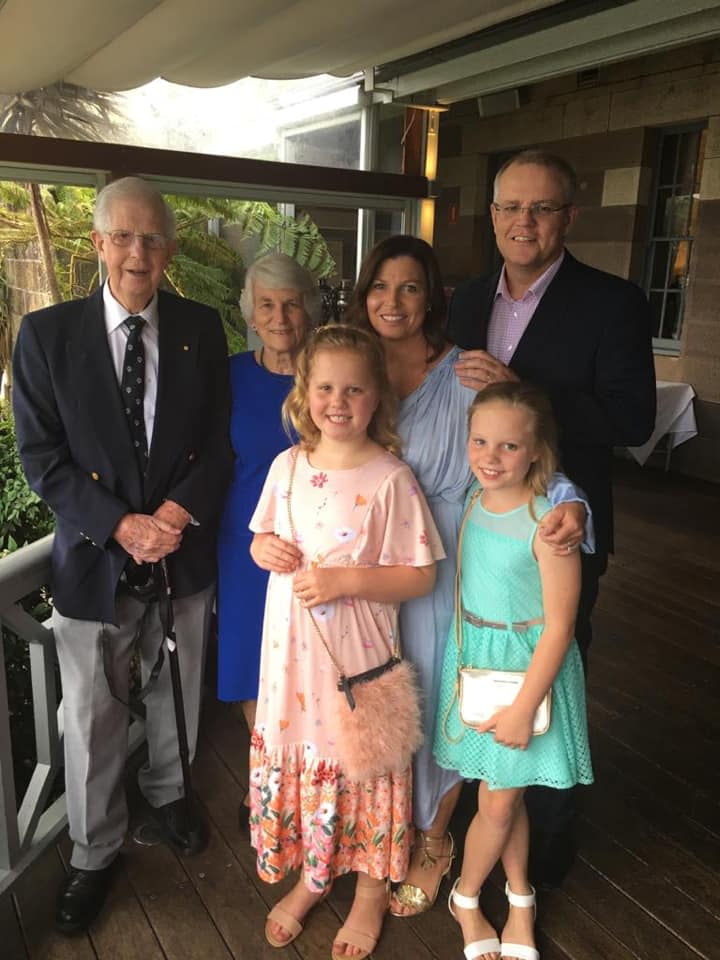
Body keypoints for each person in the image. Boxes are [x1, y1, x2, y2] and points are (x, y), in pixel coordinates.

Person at [343, 235, 590, 918]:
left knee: (438, 693)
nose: (394, 302)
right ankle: (375, 829)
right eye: (380, 287)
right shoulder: (350, 369)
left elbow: (520, 451)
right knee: (373, 696)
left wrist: (571, 502)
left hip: (453, 554)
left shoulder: (469, 373)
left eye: (411, 287)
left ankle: (433, 839)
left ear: (435, 298)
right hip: (368, 559)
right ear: (364, 296)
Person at [12, 176, 232, 935]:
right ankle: (92, 851)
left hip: (182, 550)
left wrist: (172, 514)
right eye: (125, 236)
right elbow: (42, 459)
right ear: (99, 243)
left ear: (168, 249)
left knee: (178, 686)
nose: (139, 251)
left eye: (153, 238)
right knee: (92, 717)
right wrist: (120, 525)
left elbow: (219, 445)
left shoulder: (203, 329)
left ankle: (170, 795)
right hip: (93, 561)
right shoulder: (45, 337)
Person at [447, 150, 655, 885]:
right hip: (483, 522)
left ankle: (552, 826)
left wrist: (524, 390)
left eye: (540, 208)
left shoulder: (613, 301)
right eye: (509, 207)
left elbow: (633, 418)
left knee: (556, 661)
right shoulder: (467, 299)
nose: (522, 222)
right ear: (494, 215)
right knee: (483, 658)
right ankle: (486, 807)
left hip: (560, 525)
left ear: (568, 216)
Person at [248, 324, 443, 959]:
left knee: (361, 764)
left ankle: (365, 893)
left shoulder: (391, 477)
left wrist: (344, 580)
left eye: (354, 388)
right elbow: (260, 539)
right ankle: (312, 874)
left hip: (355, 662)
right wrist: (263, 548)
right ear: (305, 394)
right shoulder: (287, 466)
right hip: (291, 666)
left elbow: (421, 574)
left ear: (375, 397)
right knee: (306, 757)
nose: (339, 400)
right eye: (326, 387)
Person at [434, 381, 593, 960]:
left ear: (536, 451)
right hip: (476, 660)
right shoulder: (474, 500)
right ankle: (521, 894)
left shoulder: (548, 521)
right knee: (506, 794)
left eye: (508, 447)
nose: (490, 457)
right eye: (480, 441)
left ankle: (467, 895)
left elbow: (559, 625)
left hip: (526, 675)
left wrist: (525, 705)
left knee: (498, 800)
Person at [216, 252, 321, 828]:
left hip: (321, 543)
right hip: (245, 541)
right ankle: (268, 783)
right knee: (251, 668)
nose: (280, 316)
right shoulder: (228, 374)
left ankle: (312, 782)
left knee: (313, 668)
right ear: (250, 315)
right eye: (267, 305)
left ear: (309, 310)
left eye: (291, 303)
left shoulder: (329, 369)